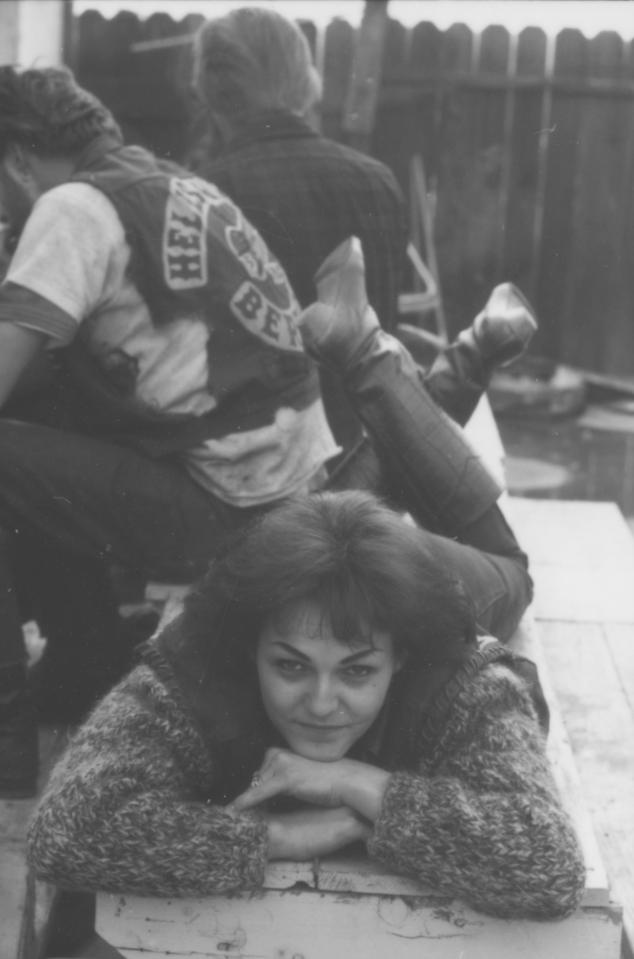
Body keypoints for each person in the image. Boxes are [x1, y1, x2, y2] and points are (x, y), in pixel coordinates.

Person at [0, 64, 340, 798]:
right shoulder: (166, 183)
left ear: (19, 160)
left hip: (229, 508)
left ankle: (6, 741)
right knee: (43, 432)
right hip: (287, 488)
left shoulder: (69, 207)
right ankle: (85, 658)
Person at [27, 488, 585, 919]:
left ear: (400, 658)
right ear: (252, 647)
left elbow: (548, 863)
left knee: (512, 576)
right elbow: (65, 830)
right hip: (309, 545)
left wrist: (360, 784)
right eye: (290, 666)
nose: (321, 704)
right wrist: (274, 837)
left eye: (357, 671)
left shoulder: (465, 683)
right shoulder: (201, 661)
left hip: (461, 582)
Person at [190, 6, 537, 447]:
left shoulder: (205, 193)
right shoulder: (376, 182)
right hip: (367, 455)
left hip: (260, 468)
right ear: (303, 80)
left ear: (211, 90)